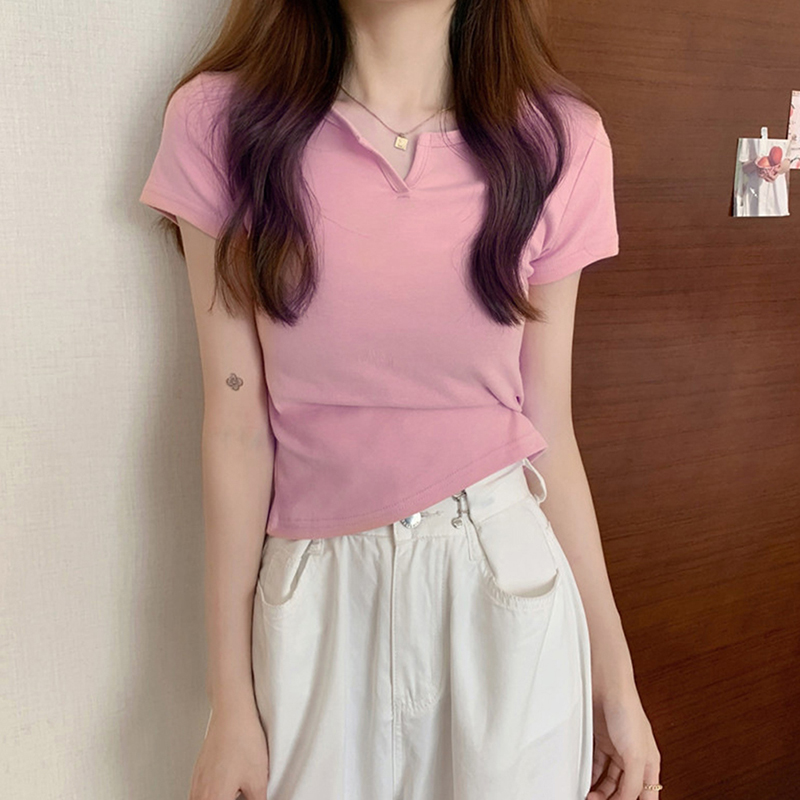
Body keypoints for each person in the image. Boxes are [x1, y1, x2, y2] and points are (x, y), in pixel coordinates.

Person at [138, 1, 662, 798]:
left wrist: (614, 678)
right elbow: (236, 427)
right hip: (318, 598)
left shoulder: (560, 142)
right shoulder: (222, 123)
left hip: (504, 586)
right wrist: (231, 706)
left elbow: (547, 425)